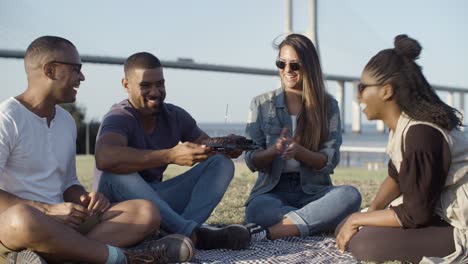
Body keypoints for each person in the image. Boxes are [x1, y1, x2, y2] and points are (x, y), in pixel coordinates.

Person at [0, 36, 194, 264]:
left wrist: (85, 198)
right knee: (24, 219)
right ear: (50, 70)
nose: (82, 77)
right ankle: (124, 258)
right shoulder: (7, 118)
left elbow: (67, 183)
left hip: (65, 220)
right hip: (19, 223)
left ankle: (56, 255)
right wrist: (47, 211)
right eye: (76, 69)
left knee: (145, 212)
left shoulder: (65, 121)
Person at [93, 52, 251, 250]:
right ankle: (191, 234)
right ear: (126, 85)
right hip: (120, 211)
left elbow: (205, 144)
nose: (155, 92)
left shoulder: (174, 115)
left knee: (221, 164)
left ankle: (175, 235)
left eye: (160, 84)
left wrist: (226, 145)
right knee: (117, 174)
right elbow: (104, 157)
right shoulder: (119, 117)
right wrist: (170, 155)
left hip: (157, 204)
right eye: (145, 86)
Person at [335, 34, 468, 263]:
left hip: (459, 226)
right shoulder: (403, 127)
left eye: (362, 87)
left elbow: (416, 214)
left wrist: (358, 220)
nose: (357, 97)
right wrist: (369, 212)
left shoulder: (421, 135)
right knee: (347, 226)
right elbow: (396, 177)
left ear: (386, 91)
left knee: (364, 244)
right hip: (435, 213)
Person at [243, 34, 362, 241]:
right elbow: (251, 159)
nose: (287, 70)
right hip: (272, 192)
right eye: (281, 63)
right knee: (257, 210)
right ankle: (317, 221)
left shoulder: (329, 107)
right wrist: (274, 151)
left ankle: (275, 231)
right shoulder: (261, 104)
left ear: (309, 66)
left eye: (295, 65)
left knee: (350, 196)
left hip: (315, 192)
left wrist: (300, 152)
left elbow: (329, 160)